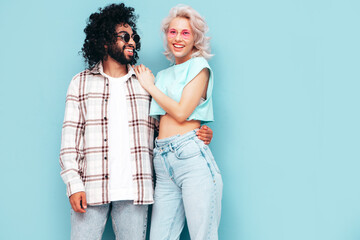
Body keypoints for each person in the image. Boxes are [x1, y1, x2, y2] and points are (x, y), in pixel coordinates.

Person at [59, 3, 213, 240]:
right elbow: (71, 140)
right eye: (124, 36)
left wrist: (199, 133)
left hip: (135, 191)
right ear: (104, 41)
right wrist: (74, 184)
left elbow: (163, 128)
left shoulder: (145, 83)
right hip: (91, 188)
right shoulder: (81, 82)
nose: (131, 41)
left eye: (134, 37)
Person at [134, 4, 222, 240]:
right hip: (162, 163)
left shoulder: (200, 67)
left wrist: (149, 86)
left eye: (186, 33)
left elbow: (182, 113)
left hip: (191, 158)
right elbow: (157, 123)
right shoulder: (162, 76)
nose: (178, 38)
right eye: (173, 32)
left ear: (195, 38)